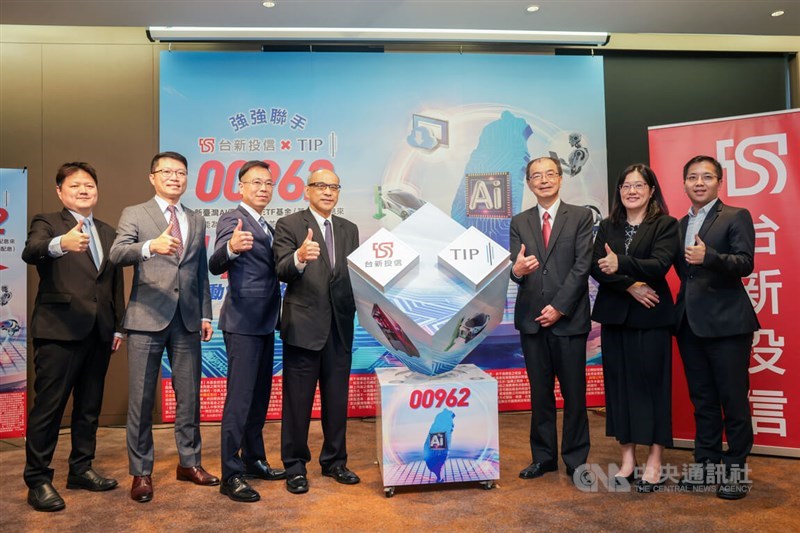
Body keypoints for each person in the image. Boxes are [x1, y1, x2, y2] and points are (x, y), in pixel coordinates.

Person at [109, 151, 218, 503]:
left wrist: (205, 314)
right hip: (146, 318)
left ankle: (189, 462)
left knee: (189, 397)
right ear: (152, 176)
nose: (175, 177)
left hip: (187, 320)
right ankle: (141, 472)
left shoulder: (196, 218)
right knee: (141, 400)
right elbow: (117, 253)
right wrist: (148, 247)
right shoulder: (135, 213)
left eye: (181, 172)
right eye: (167, 171)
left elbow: (199, 270)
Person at [21, 162, 125, 512]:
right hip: (59, 332)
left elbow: (114, 285)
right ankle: (38, 479)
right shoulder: (48, 223)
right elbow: (30, 251)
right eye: (76, 185)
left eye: (90, 186)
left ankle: (81, 468)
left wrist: (118, 325)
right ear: (60, 191)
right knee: (49, 410)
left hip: (99, 332)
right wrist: (60, 244)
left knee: (88, 408)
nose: (84, 191)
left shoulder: (109, 232)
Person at [590, 164, 679, 493]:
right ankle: (628, 459)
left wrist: (621, 265)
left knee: (653, 386)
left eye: (639, 185)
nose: (631, 191)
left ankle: (655, 460)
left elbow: (660, 264)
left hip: (651, 316)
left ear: (651, 190)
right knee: (619, 388)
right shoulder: (607, 225)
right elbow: (595, 266)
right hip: (616, 316)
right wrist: (629, 286)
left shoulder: (665, 225)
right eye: (626, 186)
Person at [674, 155, 759, 500]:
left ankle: (736, 472)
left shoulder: (736, 216)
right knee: (703, 400)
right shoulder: (680, 224)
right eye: (692, 177)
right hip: (689, 324)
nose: (699, 183)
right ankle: (706, 466)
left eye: (706, 177)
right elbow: (683, 273)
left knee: (733, 400)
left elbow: (745, 262)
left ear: (719, 182)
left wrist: (709, 257)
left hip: (727, 324)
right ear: (684, 183)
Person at [273, 168, 360, 495]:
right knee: (298, 402)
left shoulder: (348, 229)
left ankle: (335, 461)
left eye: (334, 187)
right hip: (304, 327)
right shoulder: (290, 224)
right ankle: (294, 466)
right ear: (306, 190)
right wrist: (297, 257)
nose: (328, 192)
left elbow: (352, 276)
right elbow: (280, 269)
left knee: (337, 400)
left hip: (340, 326)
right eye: (321, 186)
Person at [509, 156, 593, 483]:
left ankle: (575, 459)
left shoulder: (581, 217)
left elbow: (582, 266)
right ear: (529, 183)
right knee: (540, 394)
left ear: (560, 178)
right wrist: (516, 271)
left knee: (575, 394)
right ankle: (543, 458)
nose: (543, 180)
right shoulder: (519, 221)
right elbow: (519, 268)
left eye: (549, 174)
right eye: (536, 176)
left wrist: (559, 307)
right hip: (531, 320)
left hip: (568, 319)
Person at [208, 161, 286, 502]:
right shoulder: (232, 219)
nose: (263, 188)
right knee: (239, 401)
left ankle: (254, 460)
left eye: (268, 183)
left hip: (266, 322)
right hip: (242, 323)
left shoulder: (266, 226)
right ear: (240, 187)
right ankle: (231, 473)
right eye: (256, 182)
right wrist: (230, 248)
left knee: (259, 398)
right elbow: (215, 262)